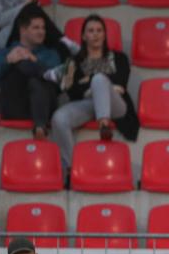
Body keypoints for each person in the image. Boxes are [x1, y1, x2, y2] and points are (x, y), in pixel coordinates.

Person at [50, 14, 139, 178]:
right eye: (91, 31)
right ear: (84, 36)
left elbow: (121, 84)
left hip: (115, 105)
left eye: (99, 30)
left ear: (105, 34)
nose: (96, 34)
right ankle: (71, 168)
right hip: (88, 104)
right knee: (59, 118)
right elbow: (73, 92)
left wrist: (91, 82)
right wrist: (100, 86)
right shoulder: (74, 62)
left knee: (99, 80)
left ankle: (103, 123)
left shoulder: (119, 58)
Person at [0, 8, 60, 138]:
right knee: (20, 65)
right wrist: (8, 60)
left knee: (35, 79)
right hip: (16, 106)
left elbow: (57, 78)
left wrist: (32, 59)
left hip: (45, 106)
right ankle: (40, 127)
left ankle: (39, 126)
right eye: (36, 28)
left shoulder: (51, 54)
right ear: (23, 30)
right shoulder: (7, 52)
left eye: (43, 28)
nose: (41, 31)